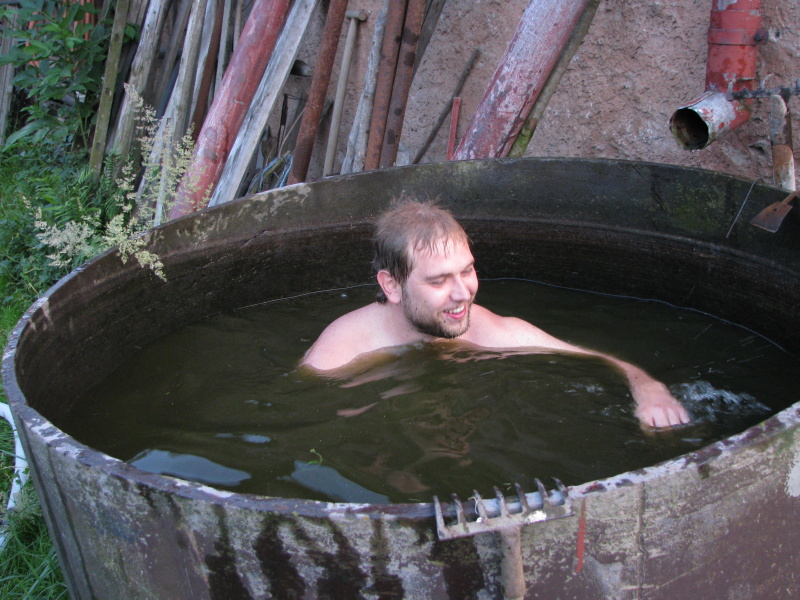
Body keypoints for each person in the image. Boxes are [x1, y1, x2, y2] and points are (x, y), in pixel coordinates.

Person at [301, 199, 691, 429]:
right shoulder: (339, 353)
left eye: (467, 271)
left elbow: (596, 358)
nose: (463, 294)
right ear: (391, 286)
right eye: (439, 280)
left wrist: (649, 388)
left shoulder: (487, 330)